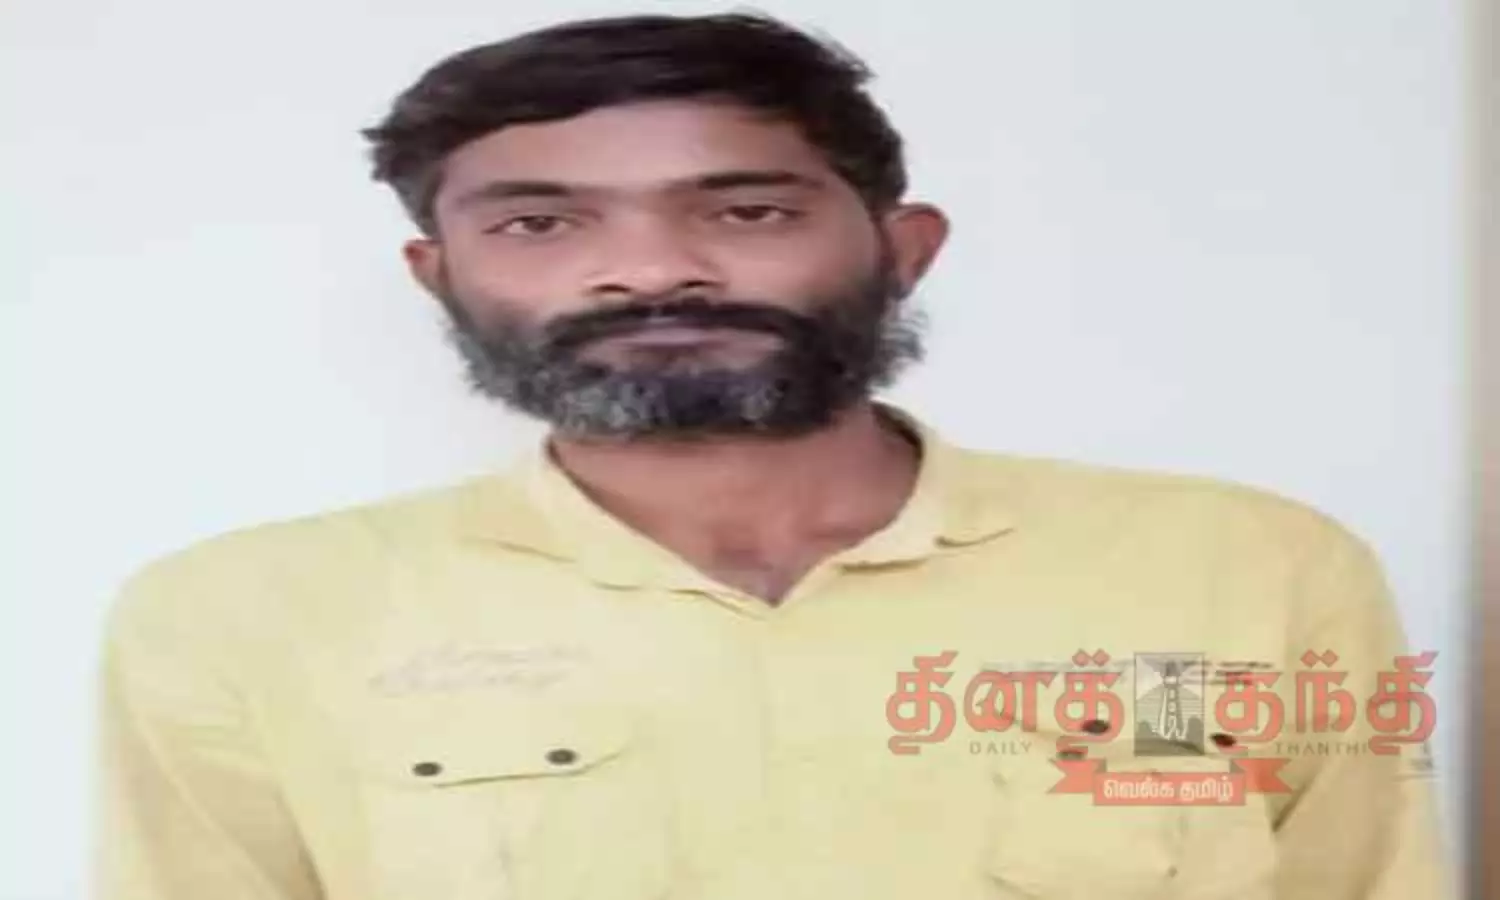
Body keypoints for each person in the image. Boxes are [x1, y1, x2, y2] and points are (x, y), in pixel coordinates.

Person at [95, 12, 1453, 900]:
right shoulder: (245, 618)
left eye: (745, 211)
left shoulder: (1237, 570)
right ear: (436, 276)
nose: (651, 271)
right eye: (540, 225)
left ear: (904, 248)